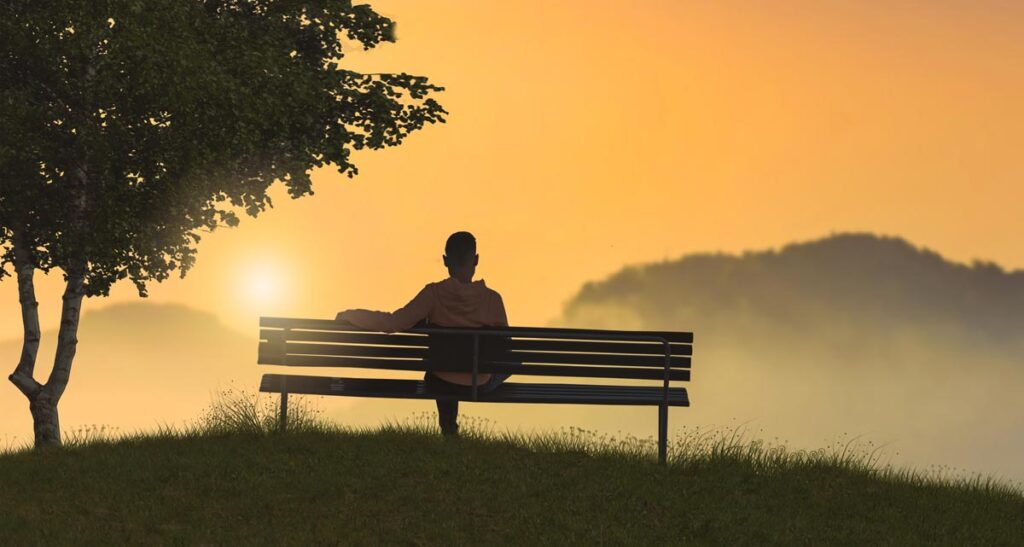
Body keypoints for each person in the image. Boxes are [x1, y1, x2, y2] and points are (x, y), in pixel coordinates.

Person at [336, 231, 510, 436]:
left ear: (445, 261)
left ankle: (449, 429)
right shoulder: (492, 299)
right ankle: (451, 428)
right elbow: (504, 347)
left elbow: (393, 322)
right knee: (507, 363)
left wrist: (351, 315)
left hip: (442, 381)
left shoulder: (433, 295)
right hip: (479, 383)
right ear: (476, 260)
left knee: (442, 371)